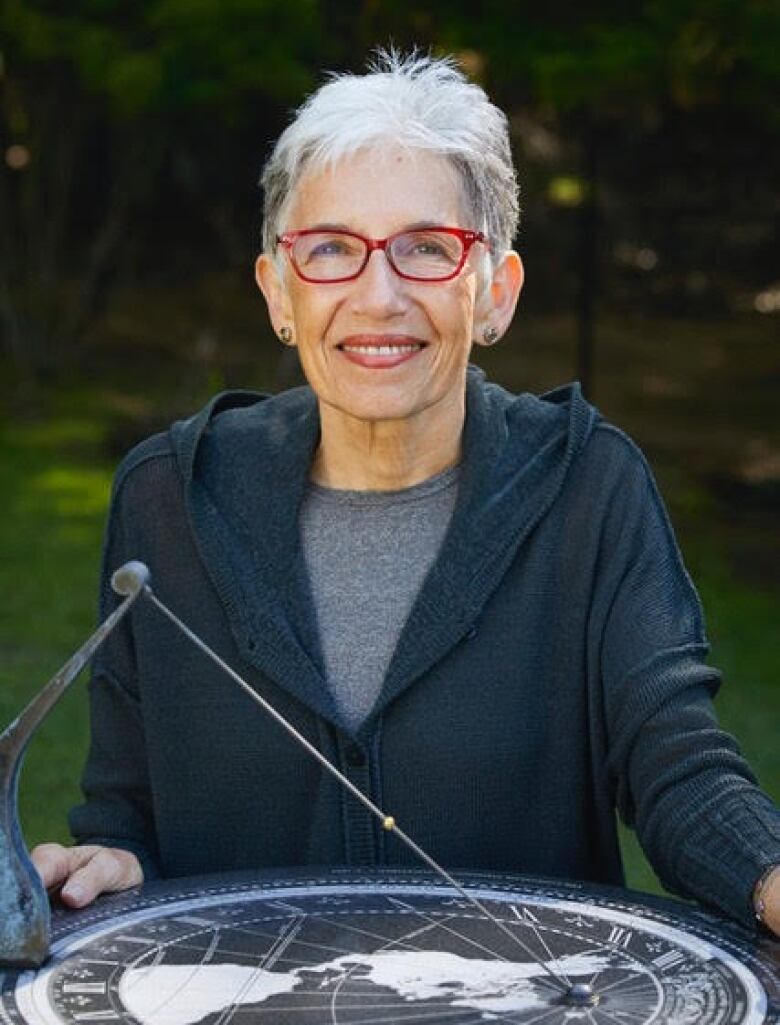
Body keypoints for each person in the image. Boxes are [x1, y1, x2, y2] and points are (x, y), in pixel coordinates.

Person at [32, 50, 780, 936]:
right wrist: (113, 864)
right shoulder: (166, 498)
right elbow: (129, 811)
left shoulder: (590, 488)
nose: (377, 295)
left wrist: (768, 875)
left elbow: (679, 770)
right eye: (332, 250)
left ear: (494, 294)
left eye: (427, 248)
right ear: (279, 291)